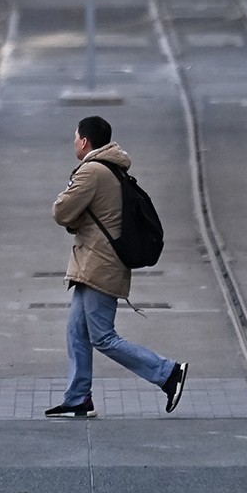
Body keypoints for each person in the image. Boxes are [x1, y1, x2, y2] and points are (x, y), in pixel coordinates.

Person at [46, 116, 188, 418]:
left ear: (84, 141)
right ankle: (77, 398)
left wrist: (72, 213)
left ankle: (168, 373)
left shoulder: (93, 171)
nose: (74, 142)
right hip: (93, 263)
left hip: (100, 265)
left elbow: (61, 211)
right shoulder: (111, 168)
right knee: (76, 332)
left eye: (75, 137)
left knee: (103, 337)